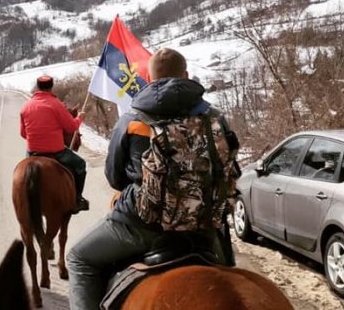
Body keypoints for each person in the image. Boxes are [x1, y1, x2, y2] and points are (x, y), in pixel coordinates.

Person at [66, 48, 237, 310]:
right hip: (203, 223)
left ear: (149, 78)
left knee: (79, 259)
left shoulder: (133, 118)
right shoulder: (215, 117)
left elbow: (114, 178)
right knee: (231, 278)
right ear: (186, 75)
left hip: (142, 225)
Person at [20, 75, 89, 213]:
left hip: (32, 152)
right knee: (80, 164)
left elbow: (23, 134)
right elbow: (70, 127)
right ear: (51, 86)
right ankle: (77, 199)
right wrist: (79, 118)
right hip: (56, 151)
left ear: (38, 86)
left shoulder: (26, 106)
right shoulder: (56, 104)